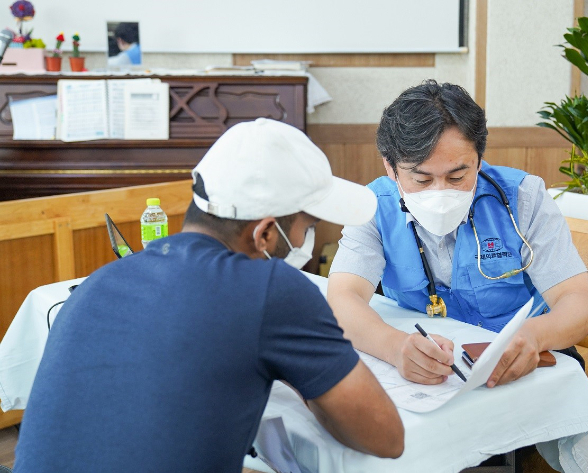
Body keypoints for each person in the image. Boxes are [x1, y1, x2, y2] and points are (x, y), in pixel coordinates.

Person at [13, 118, 404, 472]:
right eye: (309, 225)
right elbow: (386, 437)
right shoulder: (270, 288)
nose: (308, 242)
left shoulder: (99, 283)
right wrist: (310, 373)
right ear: (265, 234)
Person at [327, 80, 588, 389]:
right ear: (391, 168)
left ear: (479, 160)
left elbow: (581, 306)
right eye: (421, 179)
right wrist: (395, 347)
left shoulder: (523, 198)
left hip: (523, 359)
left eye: (457, 176)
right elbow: (342, 298)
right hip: (436, 367)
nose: (441, 193)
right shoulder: (372, 207)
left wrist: (532, 336)